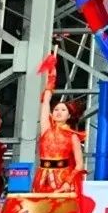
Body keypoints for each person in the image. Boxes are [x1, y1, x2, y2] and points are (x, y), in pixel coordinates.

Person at [34, 53, 85, 193]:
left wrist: (67, 183)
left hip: (64, 181)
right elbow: (46, 101)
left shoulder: (72, 136)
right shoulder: (46, 129)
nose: (58, 112)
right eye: (56, 109)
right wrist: (52, 78)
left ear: (69, 115)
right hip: (42, 179)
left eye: (63, 110)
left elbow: (80, 165)